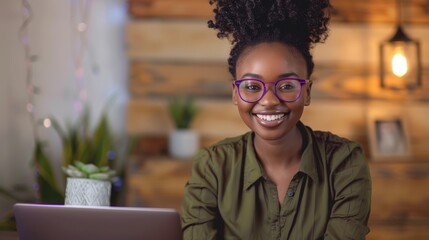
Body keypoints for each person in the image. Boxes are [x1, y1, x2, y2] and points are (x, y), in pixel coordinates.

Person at [181, 0, 371, 239]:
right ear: (235, 94)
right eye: (251, 86)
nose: (269, 100)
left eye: (287, 85)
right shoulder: (213, 167)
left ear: (307, 92)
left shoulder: (344, 163)